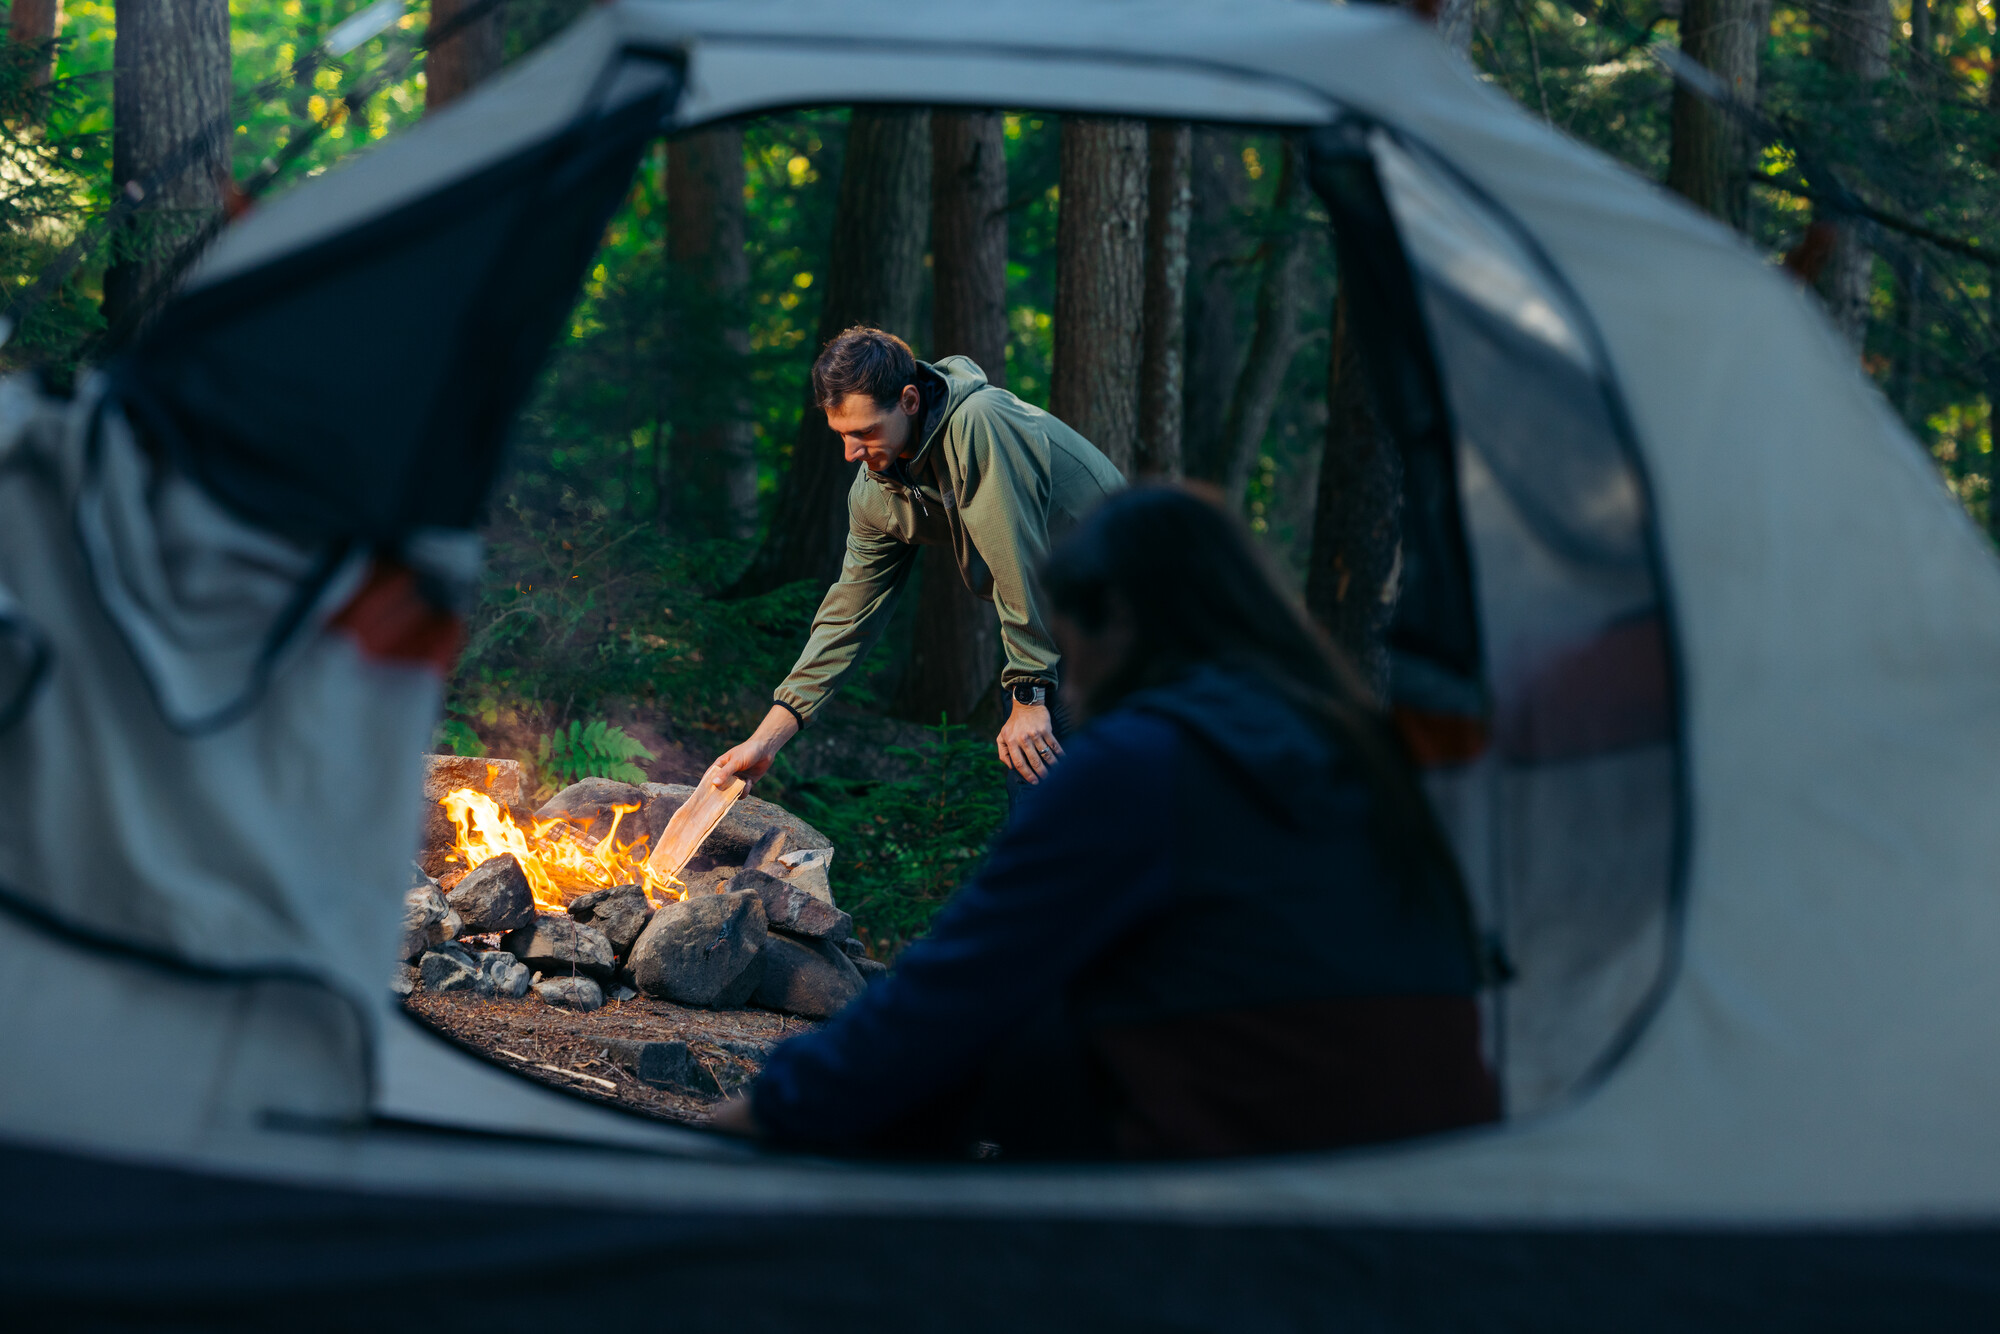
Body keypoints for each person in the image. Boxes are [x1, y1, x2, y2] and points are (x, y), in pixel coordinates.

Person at [712, 486, 1500, 1159]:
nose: (1070, 679)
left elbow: (966, 979)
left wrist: (769, 1111)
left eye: (1067, 642)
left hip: (1274, 1160)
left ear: (1116, 621)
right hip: (1432, 1143)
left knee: (1000, 1056)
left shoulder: (1149, 758)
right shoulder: (1349, 744)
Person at [706, 326, 1124, 795]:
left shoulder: (980, 423)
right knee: (1049, 798)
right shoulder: (877, 490)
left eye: (865, 432)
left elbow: (1018, 559)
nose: (850, 453)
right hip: (1066, 619)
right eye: (841, 435)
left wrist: (1029, 692)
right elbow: (847, 616)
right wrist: (766, 739)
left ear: (908, 400)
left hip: (1134, 605)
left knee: (1059, 796)